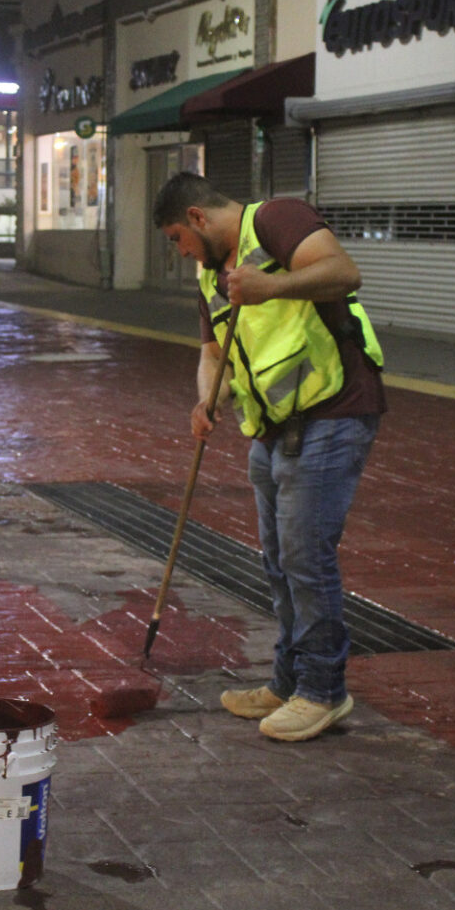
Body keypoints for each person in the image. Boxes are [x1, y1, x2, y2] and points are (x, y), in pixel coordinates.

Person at [153, 172, 387, 743]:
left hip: (331, 411)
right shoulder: (211, 275)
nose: (181, 253)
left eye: (178, 239)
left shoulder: (276, 219)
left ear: (198, 218)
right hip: (270, 427)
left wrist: (272, 286)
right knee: (280, 561)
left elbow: (343, 272)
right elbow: (213, 354)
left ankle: (323, 691)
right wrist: (208, 398)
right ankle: (288, 681)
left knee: (307, 559)